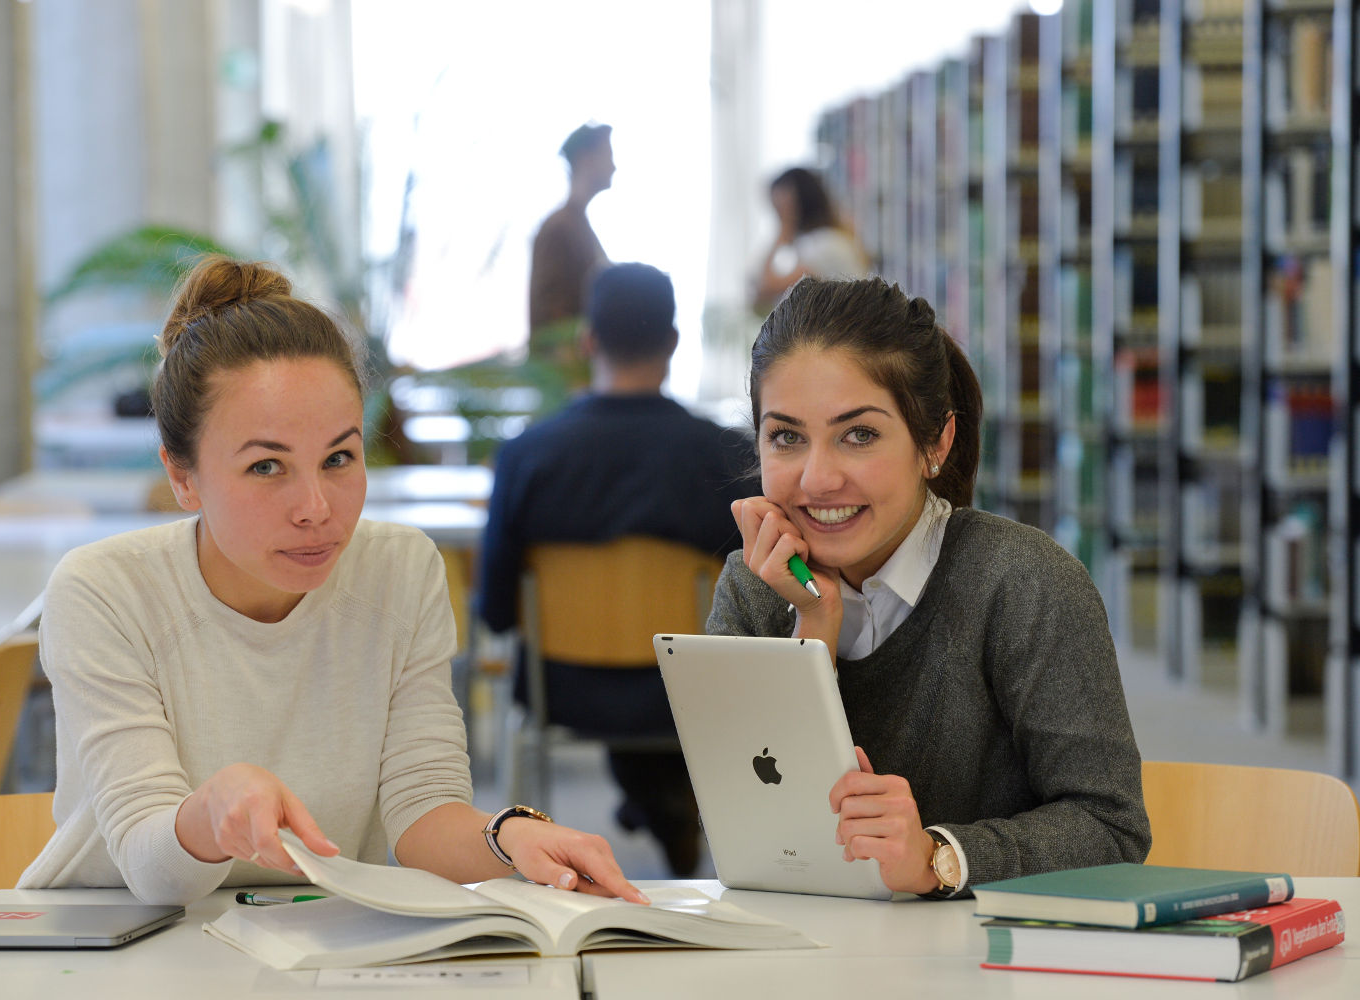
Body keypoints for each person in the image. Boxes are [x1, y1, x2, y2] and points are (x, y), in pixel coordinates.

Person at [18, 255, 648, 907]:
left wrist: (506, 836)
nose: (316, 507)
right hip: (116, 940)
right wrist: (213, 809)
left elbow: (421, 811)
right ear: (182, 477)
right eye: (267, 467)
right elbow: (152, 870)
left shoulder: (400, 570)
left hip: (321, 937)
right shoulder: (105, 592)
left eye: (339, 458)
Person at [709, 276, 1149, 897]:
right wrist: (813, 627)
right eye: (786, 437)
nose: (817, 478)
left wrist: (939, 857)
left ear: (934, 442)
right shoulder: (754, 586)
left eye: (858, 435)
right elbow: (743, 832)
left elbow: (1113, 829)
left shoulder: (1024, 581)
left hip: (987, 966)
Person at [478, 262, 756, 876]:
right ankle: (661, 804)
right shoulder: (726, 456)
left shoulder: (527, 456)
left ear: (588, 342)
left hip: (565, 688)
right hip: (687, 690)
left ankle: (650, 801)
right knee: (672, 680)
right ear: (674, 343)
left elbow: (496, 608)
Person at [528, 122, 614, 378]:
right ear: (586, 159)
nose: (614, 166)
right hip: (566, 382)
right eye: (608, 156)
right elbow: (551, 316)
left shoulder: (579, 226)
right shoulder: (559, 228)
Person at [751, 167, 871, 312]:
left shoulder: (822, 244)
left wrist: (781, 234)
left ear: (794, 207)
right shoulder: (830, 238)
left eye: (779, 210)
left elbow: (763, 291)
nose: (778, 218)